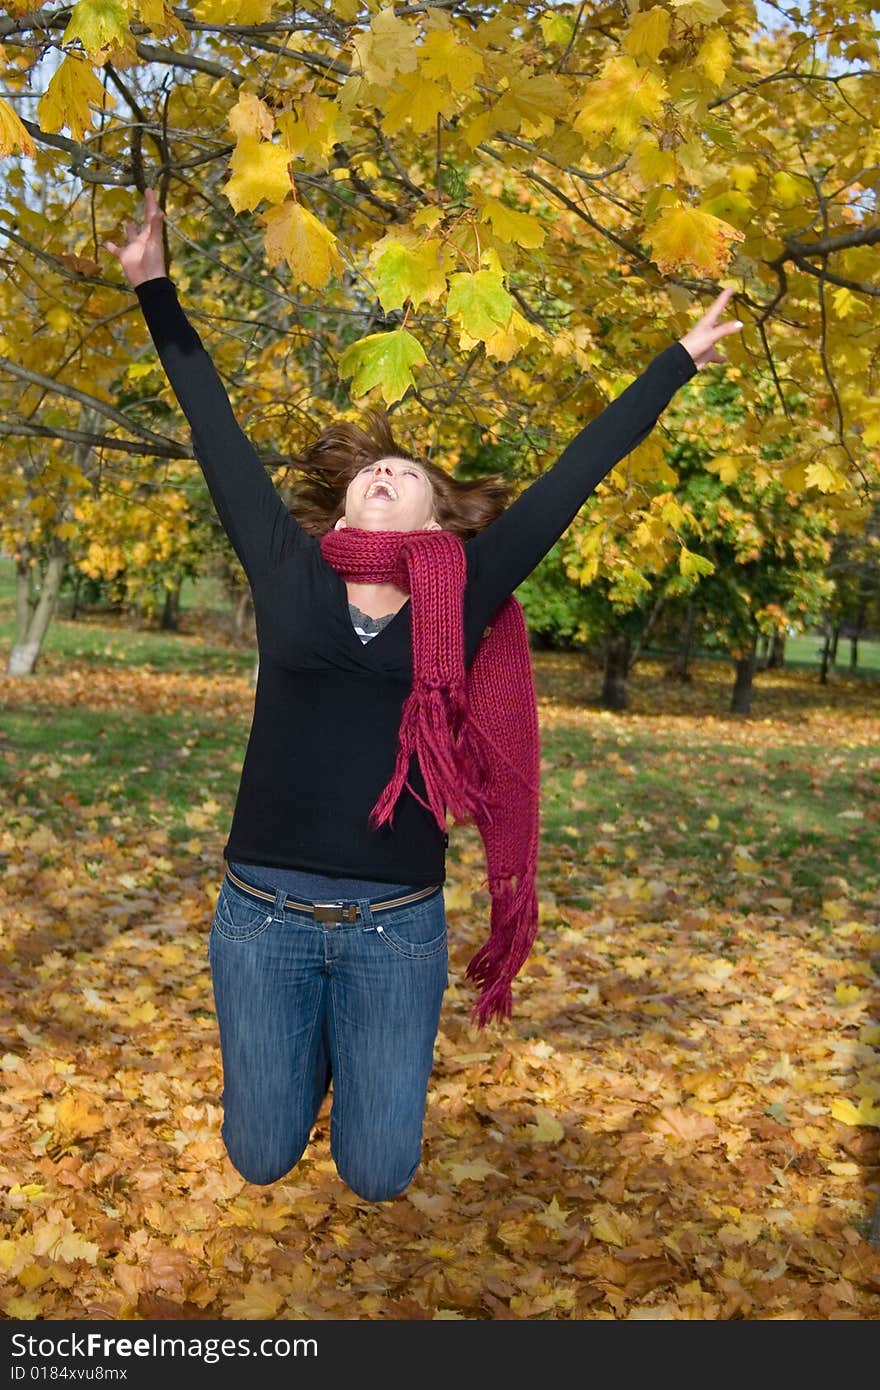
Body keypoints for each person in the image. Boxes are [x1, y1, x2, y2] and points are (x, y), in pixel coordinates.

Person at [105, 188, 742, 1201]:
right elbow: (214, 428)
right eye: (374, 470)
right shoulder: (288, 570)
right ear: (347, 502)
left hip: (394, 927)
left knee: (379, 1171)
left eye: (409, 472)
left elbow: (575, 476)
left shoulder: (468, 593)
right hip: (262, 915)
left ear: (439, 516)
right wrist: (156, 291)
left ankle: (345, 1064)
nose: (387, 471)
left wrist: (674, 363)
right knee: (260, 1154)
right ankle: (298, 1056)